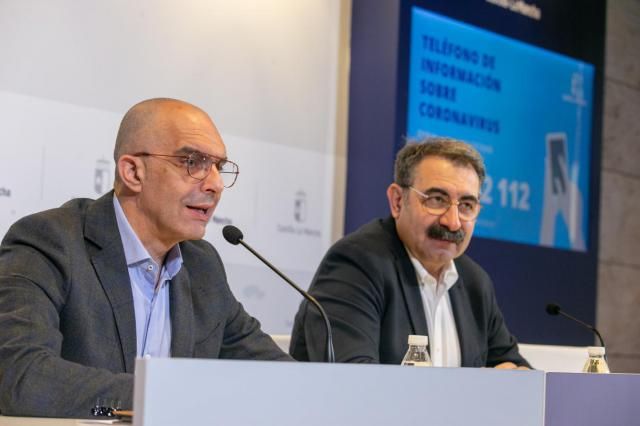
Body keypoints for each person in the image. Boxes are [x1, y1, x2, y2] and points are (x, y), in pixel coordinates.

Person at [0, 98, 291, 418]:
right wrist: (170, 394)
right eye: (193, 162)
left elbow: (277, 376)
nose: (215, 185)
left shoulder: (201, 265)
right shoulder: (50, 242)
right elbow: (19, 376)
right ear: (133, 172)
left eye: (219, 167)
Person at [290, 137, 530, 369]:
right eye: (437, 199)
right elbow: (352, 381)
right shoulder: (356, 264)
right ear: (397, 201)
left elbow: (516, 370)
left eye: (466, 206)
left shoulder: (474, 282)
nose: (453, 222)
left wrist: (513, 378)